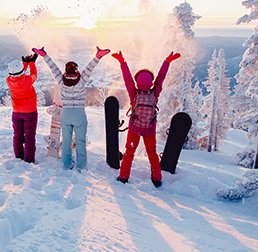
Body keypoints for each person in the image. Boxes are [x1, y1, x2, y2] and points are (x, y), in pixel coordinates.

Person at [32, 46, 110, 171]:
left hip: (66, 113)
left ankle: (67, 164)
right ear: (76, 71)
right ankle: (81, 165)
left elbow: (53, 68)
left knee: (66, 140)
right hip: (79, 113)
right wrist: (98, 56)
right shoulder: (81, 81)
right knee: (80, 141)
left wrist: (44, 55)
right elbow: (90, 68)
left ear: (66, 71)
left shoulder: (61, 81)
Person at [111, 50, 181, 187]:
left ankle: (124, 177)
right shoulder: (155, 92)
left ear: (137, 82)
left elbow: (127, 78)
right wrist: (167, 61)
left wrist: (122, 61)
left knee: (129, 153)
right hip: (150, 129)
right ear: (151, 81)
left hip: (134, 129)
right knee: (152, 153)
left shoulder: (134, 93)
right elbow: (161, 77)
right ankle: (157, 178)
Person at [6, 53, 38, 163]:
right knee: (29, 137)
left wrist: (24, 63)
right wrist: (32, 63)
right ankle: (29, 160)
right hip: (30, 112)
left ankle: (18, 156)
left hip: (17, 112)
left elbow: (18, 74)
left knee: (17, 135)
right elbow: (34, 74)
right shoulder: (28, 80)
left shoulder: (9, 81)